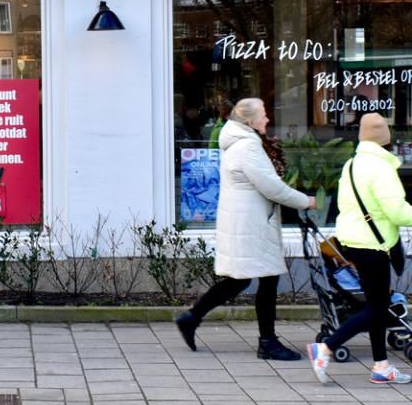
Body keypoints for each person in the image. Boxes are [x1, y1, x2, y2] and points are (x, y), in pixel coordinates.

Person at [175, 98, 316, 360]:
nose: (267, 119)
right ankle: (267, 342)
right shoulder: (248, 146)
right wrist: (305, 200)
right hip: (252, 224)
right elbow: (271, 187)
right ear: (249, 121)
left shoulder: (238, 143)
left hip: (245, 221)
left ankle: (192, 317)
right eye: (263, 115)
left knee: (240, 280)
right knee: (266, 278)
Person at [307, 113, 412, 385]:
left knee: (376, 305)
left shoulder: (352, 164)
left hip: (352, 242)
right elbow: (397, 211)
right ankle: (326, 347)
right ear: (385, 139)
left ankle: (381, 366)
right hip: (372, 246)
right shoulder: (381, 168)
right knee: (377, 308)